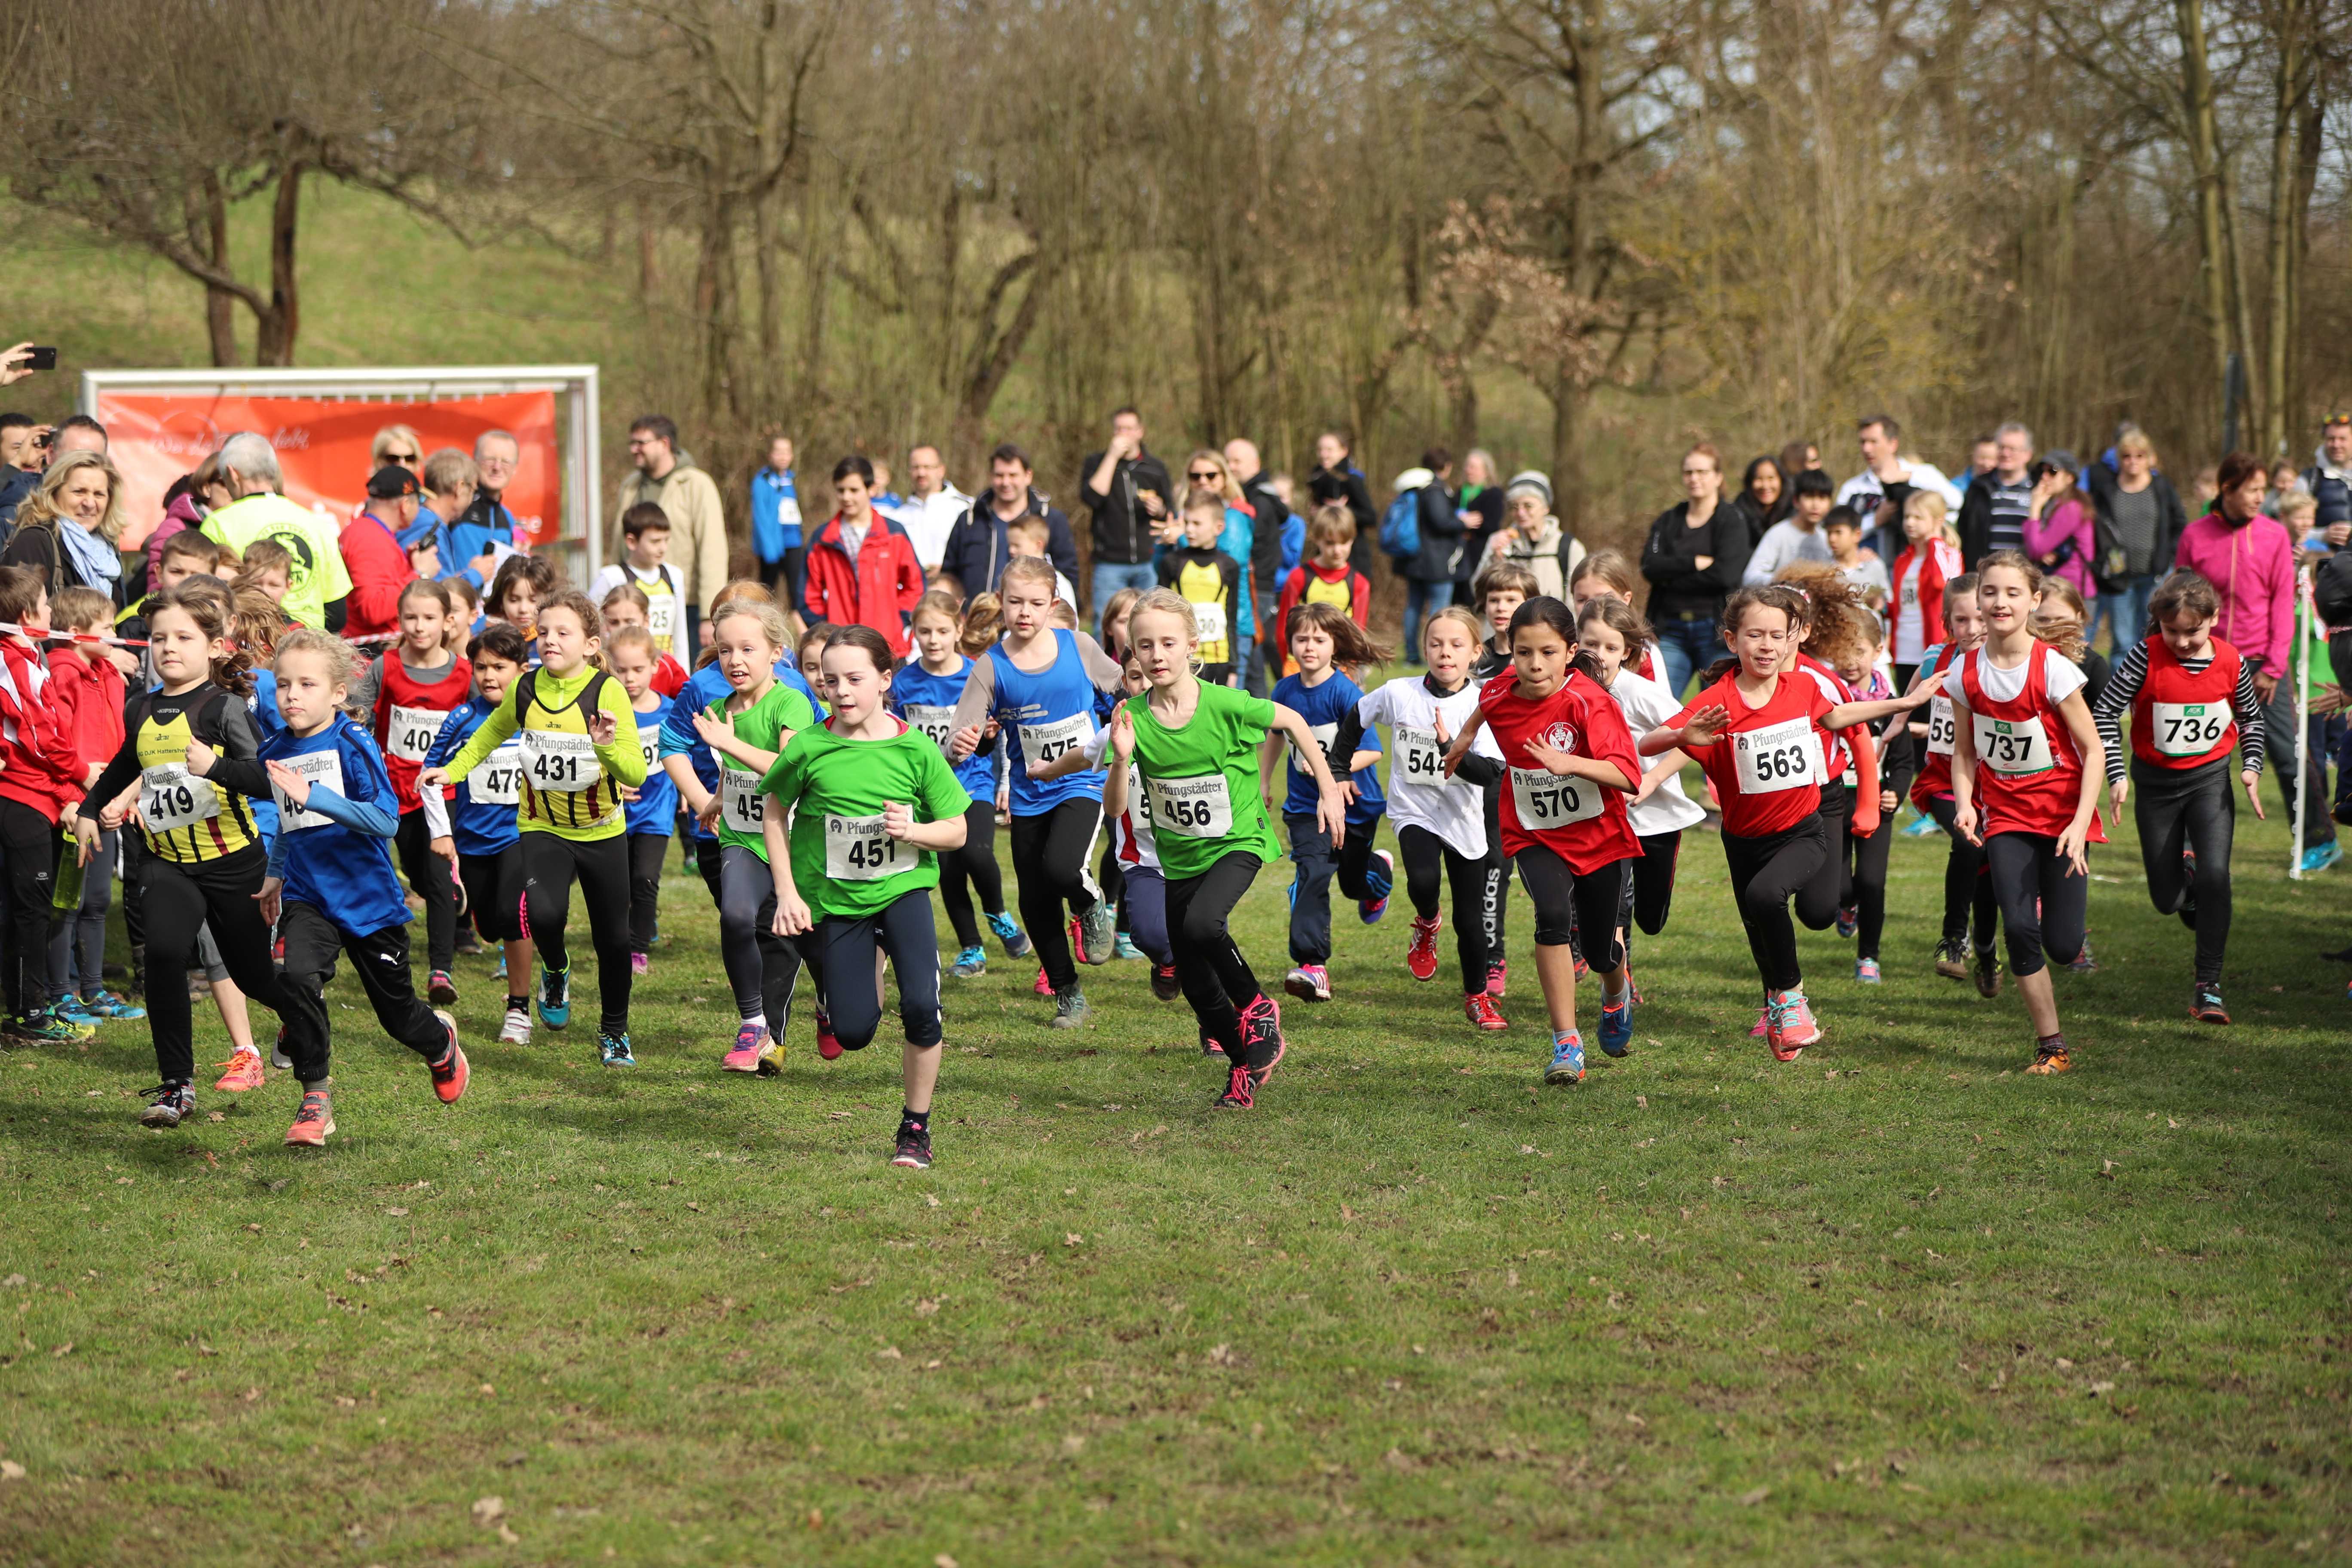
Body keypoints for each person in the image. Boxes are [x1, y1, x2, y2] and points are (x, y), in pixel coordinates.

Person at [1638, 585, 1938, 1058]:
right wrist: (1684, 735)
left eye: (1777, 636)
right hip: (1743, 840)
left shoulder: (1802, 687)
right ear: (1732, 639)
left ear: (1791, 639)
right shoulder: (1717, 700)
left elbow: (1840, 717)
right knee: (1758, 925)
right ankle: (1779, 1011)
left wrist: (1902, 703)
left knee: (1773, 899)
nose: (1767, 646)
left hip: (1803, 829)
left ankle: (1793, 1001)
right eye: (1755, 635)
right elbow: (1648, 743)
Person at [74, 583, 330, 1128]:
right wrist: (90, 809)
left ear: (214, 647)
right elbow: (125, 765)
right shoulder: (140, 707)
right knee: (165, 952)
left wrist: (214, 767)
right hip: (166, 860)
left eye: (183, 638)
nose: (168, 647)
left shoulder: (225, 709)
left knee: (255, 977)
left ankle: (302, 1018)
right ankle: (176, 1086)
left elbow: (265, 779)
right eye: (159, 638)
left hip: (234, 862)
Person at [1105, 589, 1345, 1109]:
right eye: (1145, 646)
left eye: (1169, 643)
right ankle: (1244, 1067)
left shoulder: (1224, 703)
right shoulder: (1133, 718)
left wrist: (1328, 788)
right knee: (1195, 984)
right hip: (1180, 859)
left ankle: (1258, 1006)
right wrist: (1122, 759)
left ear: (1193, 645)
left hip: (1238, 841)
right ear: (1134, 652)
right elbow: (1115, 806)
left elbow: (1293, 722)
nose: (1157, 655)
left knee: (1202, 924)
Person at [236, 629, 467, 1145]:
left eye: (308, 685)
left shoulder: (352, 742)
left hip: (367, 900)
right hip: (307, 895)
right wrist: (275, 872)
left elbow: (385, 820)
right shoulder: (275, 747)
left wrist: (315, 795)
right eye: (284, 685)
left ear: (338, 692)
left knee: (398, 1018)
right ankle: (315, 1098)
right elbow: (292, 820)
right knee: (296, 975)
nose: (292, 695)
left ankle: (440, 1043)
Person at [760, 625, 971, 1169]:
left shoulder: (914, 749)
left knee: (922, 1008)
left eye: (855, 679)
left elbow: (957, 830)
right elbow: (774, 811)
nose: (842, 691)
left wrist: (914, 831)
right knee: (853, 1033)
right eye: (830, 681)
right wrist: (787, 891)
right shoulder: (810, 746)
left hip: (903, 891)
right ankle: (861, 967)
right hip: (836, 902)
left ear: (885, 679)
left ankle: (915, 1128)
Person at [419, 589, 648, 1066]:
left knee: (613, 940)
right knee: (543, 916)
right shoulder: (525, 688)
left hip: (602, 830)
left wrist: (605, 746)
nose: (550, 640)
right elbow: (490, 733)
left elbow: (636, 773)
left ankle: (614, 1032)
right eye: (543, 633)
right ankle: (557, 969)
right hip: (542, 826)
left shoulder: (606, 691)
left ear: (590, 644)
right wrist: (454, 772)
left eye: (563, 633)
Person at [1440, 596, 1644, 1083]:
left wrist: (1568, 763)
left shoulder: (1590, 702)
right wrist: (1464, 739)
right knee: (1551, 916)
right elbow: (1486, 704)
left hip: (1599, 838)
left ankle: (1615, 992)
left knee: (1599, 952)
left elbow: (1628, 776)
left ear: (1571, 652)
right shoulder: (1500, 690)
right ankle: (1566, 1042)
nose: (1535, 665)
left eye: (1548, 653)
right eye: (1524, 652)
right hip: (1534, 833)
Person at [945, 557, 1125, 1026]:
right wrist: (963, 742)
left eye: (1035, 603)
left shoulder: (1078, 646)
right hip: (1029, 794)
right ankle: (1068, 993)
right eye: (1015, 602)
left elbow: (1124, 689)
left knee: (1062, 867)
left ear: (1053, 604)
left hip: (1081, 781)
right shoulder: (991, 666)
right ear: (1001, 603)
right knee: (1034, 900)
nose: (1024, 612)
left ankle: (1089, 902)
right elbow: (960, 734)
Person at [1947, 552, 2107, 1074]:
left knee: (2063, 945)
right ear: (1978, 599)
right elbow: (1964, 752)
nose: (2000, 602)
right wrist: (1966, 803)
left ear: (2034, 601)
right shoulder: (1965, 671)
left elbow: (2094, 751)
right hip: (2007, 816)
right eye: (1990, 592)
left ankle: (2053, 945)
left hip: (2062, 819)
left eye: (2013, 593)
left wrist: (2080, 824)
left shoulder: (2054, 669)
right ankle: (2052, 1046)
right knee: (2019, 927)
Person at [2090, 570, 2265, 1023]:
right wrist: (2117, 775)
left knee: (2217, 876)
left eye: (2193, 631)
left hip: (2210, 781)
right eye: (2173, 632)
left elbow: (2251, 719)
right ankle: (2187, 879)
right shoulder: (2144, 656)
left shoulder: (2232, 661)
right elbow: (2105, 711)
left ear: (2214, 618)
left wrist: (2251, 767)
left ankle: (2209, 986)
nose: (2183, 642)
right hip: (2155, 786)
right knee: (2167, 900)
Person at [1334, 606, 1504, 1023]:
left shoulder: (1484, 702)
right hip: (1415, 811)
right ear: (1424, 648)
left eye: (1457, 645)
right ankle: (1427, 922)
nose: (1445, 652)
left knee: (1470, 921)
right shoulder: (1399, 693)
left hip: (1464, 818)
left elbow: (1490, 774)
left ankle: (1477, 996)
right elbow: (1357, 716)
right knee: (1424, 881)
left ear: (1475, 652)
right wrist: (1338, 770)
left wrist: (1451, 750)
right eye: (1436, 644)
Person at [670, 599, 814, 1072]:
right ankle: (753, 1024)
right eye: (725, 649)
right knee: (736, 917)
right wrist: (716, 798)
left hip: (796, 841)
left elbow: (788, 768)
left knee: (812, 938)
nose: (735, 660)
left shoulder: (791, 702)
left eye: (748, 649)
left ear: (776, 652)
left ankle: (831, 1001)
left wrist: (729, 743)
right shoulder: (717, 709)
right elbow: (735, 770)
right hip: (743, 836)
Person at [2174, 453, 2327, 869]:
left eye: (2264, 489)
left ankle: (2318, 839)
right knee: (2195, 755)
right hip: (2205, 663)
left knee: (2286, 754)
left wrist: (2274, 667)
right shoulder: (2194, 536)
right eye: (2253, 490)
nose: (2262, 497)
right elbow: (2179, 600)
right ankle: (2187, 845)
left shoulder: (2275, 535)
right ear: (2228, 490)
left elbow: (2282, 604)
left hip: (2262, 666)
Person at [344, 578, 472, 1005]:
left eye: (429, 618)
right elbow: (357, 715)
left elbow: (486, 724)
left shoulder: (464, 674)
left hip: (440, 795)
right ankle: (448, 892)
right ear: (399, 620)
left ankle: (441, 971)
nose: (419, 626)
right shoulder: (386, 666)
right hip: (394, 791)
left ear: (448, 621)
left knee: (435, 878)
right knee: (414, 873)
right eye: (411, 618)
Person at [894, 591, 1029, 977]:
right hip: (927, 794)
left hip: (973, 784)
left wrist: (996, 760)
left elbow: (996, 737)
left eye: (941, 631)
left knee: (977, 853)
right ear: (914, 633)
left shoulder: (977, 674)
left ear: (958, 630)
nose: (933, 640)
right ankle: (971, 949)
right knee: (949, 871)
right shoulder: (904, 683)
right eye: (924, 632)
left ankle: (998, 913)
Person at [1574, 595, 1703, 995]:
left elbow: (1692, 739)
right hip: (1607, 819)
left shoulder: (1641, 692)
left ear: (1627, 652)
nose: (1599, 654)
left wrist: (1652, 780)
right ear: (1576, 643)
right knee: (1616, 905)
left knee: (1650, 918)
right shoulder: (1568, 689)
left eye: (1611, 647)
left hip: (1657, 819)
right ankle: (1619, 982)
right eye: (1591, 644)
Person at [1265, 602, 1394, 1004]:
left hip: (1355, 804)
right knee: (1314, 871)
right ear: (1290, 644)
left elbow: (1372, 751)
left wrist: (1332, 771)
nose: (1309, 647)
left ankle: (1378, 874)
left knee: (1353, 884)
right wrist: (1264, 780)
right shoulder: (1284, 691)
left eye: (1319, 640)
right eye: (1301, 639)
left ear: (1334, 645)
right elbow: (1274, 735)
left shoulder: (1345, 692)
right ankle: (1312, 964)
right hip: (1306, 807)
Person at [422, 623, 536, 1044]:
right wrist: (442, 832)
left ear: (522, 669)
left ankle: (519, 1009)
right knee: (488, 924)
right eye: (481, 667)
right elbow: (429, 776)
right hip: (473, 839)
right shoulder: (463, 719)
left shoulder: (538, 717)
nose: (489, 676)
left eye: (499, 668)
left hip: (523, 833)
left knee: (512, 912)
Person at [45, 585, 140, 1024]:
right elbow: (55, 744)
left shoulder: (110, 676)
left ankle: (93, 989)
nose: (115, 636)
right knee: (67, 901)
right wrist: (70, 797)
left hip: (105, 806)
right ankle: (59, 992)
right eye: (106, 628)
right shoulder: (62, 674)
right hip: (71, 807)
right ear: (75, 631)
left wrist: (124, 797)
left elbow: (122, 743)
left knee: (99, 900)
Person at [0, 568, 82, 1044]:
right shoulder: (12, 662)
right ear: (26, 616)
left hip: (42, 796)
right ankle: (28, 1013)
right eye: (47, 604)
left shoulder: (31, 657)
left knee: (33, 908)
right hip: (19, 799)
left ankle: (31, 1004)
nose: (52, 611)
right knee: (29, 910)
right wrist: (81, 776)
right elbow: (39, 739)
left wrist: (67, 793)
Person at [198, 432, 352, 632]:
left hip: (247, 641)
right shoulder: (318, 525)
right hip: (310, 643)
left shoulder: (218, 523)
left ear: (233, 474)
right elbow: (337, 615)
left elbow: (204, 599)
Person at [1641, 443, 1751, 697]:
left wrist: (1670, 577)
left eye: (1702, 472)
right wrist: (1693, 563)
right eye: (1689, 472)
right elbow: (1650, 567)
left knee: (1718, 707)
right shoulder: (1668, 520)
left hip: (1715, 631)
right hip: (1669, 630)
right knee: (1658, 702)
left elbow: (1726, 575)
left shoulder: (1732, 520)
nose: (1694, 478)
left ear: (1718, 477)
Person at [602, 625, 679, 982]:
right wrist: (612, 779)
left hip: (656, 812)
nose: (630, 678)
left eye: (638, 669)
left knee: (645, 878)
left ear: (655, 666)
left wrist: (686, 791)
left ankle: (638, 950)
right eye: (621, 670)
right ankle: (616, 941)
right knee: (617, 885)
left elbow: (684, 754)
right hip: (613, 813)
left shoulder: (671, 711)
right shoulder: (606, 712)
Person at [615, 415, 729, 647]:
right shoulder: (630, 486)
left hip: (685, 605)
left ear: (664, 444)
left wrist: (709, 615)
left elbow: (713, 550)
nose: (634, 449)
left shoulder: (697, 484)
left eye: (641, 443)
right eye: (632, 443)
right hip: (633, 603)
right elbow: (619, 544)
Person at [799, 455, 925, 659]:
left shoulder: (894, 534)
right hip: (840, 648)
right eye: (841, 490)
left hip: (888, 647)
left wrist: (900, 620)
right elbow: (808, 595)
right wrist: (826, 630)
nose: (846, 497)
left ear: (871, 489)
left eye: (854, 490)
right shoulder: (822, 539)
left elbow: (916, 585)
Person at [938, 444, 1080, 604]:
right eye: (999, 475)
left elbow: (1068, 577)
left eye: (1013, 475)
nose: (1006, 482)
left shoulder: (1050, 520)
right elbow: (949, 575)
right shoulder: (970, 520)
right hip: (976, 616)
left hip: (1030, 617)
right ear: (991, 476)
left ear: (1028, 476)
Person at [2088, 433, 2187, 649]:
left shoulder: (2161, 487)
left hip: (2156, 576)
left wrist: (2169, 556)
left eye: (2140, 456)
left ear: (2150, 458)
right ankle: (2123, 673)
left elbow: (2180, 523)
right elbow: (2097, 530)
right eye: (2127, 456)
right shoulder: (2107, 490)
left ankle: (2152, 673)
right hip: (2119, 577)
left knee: (2154, 638)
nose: (2133, 461)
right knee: (2122, 641)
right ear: (2119, 459)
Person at [1080, 409, 1175, 627]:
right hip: (1109, 562)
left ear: (1140, 432)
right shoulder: (1096, 463)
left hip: (1149, 560)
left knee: (1151, 624)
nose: (1124, 434)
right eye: (1119, 429)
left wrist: (1160, 509)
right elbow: (1092, 498)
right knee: (1106, 623)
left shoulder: (1155, 468)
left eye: (1129, 429)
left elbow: (1170, 510)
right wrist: (1112, 457)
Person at [2, 450, 129, 609]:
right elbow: (19, 616)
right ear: (54, 493)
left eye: (99, 494)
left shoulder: (107, 550)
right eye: (79, 492)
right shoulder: (34, 542)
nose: (90, 503)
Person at [1837, 413, 1962, 566]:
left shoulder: (1922, 474)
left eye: (1873, 442)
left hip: (1918, 570)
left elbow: (1956, 501)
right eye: (1863, 442)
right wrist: (1875, 520)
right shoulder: (1852, 488)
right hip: (1869, 572)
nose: (1866, 449)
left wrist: (1909, 478)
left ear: (1893, 444)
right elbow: (1836, 533)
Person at [1157, 489, 1246, 685]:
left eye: (1197, 524)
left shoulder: (1229, 566)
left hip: (1219, 658)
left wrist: (1233, 667)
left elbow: (1231, 617)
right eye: (1187, 522)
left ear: (1219, 527)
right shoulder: (1171, 563)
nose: (1189, 529)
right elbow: (1161, 614)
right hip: (1183, 658)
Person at [1272, 505, 1373, 676]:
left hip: (1341, 668)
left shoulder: (1359, 584)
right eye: (1330, 543)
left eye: (1343, 543)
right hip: (1299, 667)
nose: (1337, 550)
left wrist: (1351, 670)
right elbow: (1284, 629)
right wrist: (1290, 663)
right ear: (1317, 539)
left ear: (1352, 540)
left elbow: (1358, 633)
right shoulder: (1298, 577)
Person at [589, 503, 689, 658]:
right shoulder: (612, 577)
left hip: (663, 666)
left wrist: (683, 671)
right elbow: (589, 623)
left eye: (666, 540)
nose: (663, 548)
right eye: (655, 542)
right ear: (632, 542)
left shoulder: (674, 575)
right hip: (622, 665)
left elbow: (680, 633)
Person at [1886, 491, 1964, 689]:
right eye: (1907, 517)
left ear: (1938, 520)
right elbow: (1904, 603)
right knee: (1907, 703)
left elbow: (1941, 584)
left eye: (1918, 517)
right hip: (1904, 648)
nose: (1910, 523)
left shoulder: (1949, 554)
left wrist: (1935, 541)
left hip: (1935, 646)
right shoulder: (1903, 559)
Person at [339, 465, 425, 643]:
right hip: (370, 653)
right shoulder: (369, 538)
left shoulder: (369, 532)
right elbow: (374, 609)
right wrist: (420, 574)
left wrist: (409, 566)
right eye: (420, 502)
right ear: (405, 505)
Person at [1396, 449, 1465, 659]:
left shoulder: (1414, 489)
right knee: (1439, 609)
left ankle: (1412, 654)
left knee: (1414, 607)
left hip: (1414, 559)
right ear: (1447, 466)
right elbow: (1441, 522)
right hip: (1436, 562)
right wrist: (1462, 523)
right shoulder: (1435, 490)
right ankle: (1433, 653)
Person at [1475, 472, 1585, 601]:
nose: (1521, 513)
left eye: (1528, 506)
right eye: (1515, 507)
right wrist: (1492, 559)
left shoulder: (1569, 547)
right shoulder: (1500, 542)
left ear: (1546, 508)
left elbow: (1576, 600)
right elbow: (1477, 592)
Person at [446, 431, 525, 596]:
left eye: (506, 462)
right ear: (474, 461)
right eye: (490, 459)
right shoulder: (455, 506)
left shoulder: (507, 518)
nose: (497, 467)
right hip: (454, 603)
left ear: (515, 469)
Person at [2023, 451, 2099, 605]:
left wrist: (2035, 508)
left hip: (2071, 592)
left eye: (2053, 471)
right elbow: (2035, 545)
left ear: (2070, 478)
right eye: (2042, 471)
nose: (2044, 477)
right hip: (2059, 587)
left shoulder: (2071, 508)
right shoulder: (2055, 504)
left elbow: (2036, 549)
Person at [1957, 423, 2037, 564]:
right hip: (1984, 571)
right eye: (2001, 447)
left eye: (2012, 449)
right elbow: (1964, 531)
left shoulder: (2039, 489)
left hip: (2025, 571)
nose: (2005, 453)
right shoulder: (1979, 487)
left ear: (2028, 454)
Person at [1306, 430, 1379, 579]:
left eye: (1329, 450)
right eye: (1320, 450)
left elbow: (1371, 517)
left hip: (1353, 558)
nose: (1323, 455)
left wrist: (1342, 512)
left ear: (1344, 451)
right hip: (1324, 557)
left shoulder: (1352, 480)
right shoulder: (1316, 479)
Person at [1744, 469, 1836, 584]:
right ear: (1796, 501)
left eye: (1822, 498)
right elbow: (1750, 578)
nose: (1816, 505)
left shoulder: (1827, 538)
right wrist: (1783, 580)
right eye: (1809, 497)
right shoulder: (1779, 534)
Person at [1451, 449, 1508, 626]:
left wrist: (1466, 525)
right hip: (1457, 556)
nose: (1469, 471)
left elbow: (1491, 524)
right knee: (1457, 602)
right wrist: (1464, 522)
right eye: (1467, 466)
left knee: (1476, 598)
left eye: (1474, 467)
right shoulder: (1459, 493)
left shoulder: (1493, 494)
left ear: (1486, 471)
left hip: (1480, 554)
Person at [898, 444, 971, 576]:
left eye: (927, 467)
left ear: (941, 470)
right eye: (916, 468)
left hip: (952, 585)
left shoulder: (966, 509)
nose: (921, 473)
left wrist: (947, 569)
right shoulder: (898, 516)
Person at [749, 433, 804, 606]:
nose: (783, 456)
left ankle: (799, 620)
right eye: (778, 452)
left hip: (793, 542)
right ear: (770, 455)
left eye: (786, 452)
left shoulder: (792, 479)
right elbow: (761, 517)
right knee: (767, 591)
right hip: (773, 545)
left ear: (792, 455)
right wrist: (768, 547)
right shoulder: (762, 480)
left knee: (797, 590)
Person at [408, 448, 475, 563]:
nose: (472, 500)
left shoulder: (415, 518)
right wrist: (476, 572)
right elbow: (434, 574)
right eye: (473, 490)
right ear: (460, 488)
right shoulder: (432, 531)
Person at [2299, 413, 2352, 545]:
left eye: (2343, 439)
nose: (2336, 445)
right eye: (2331, 439)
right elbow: (2287, 526)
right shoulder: (2308, 480)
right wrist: (2321, 536)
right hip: (2323, 556)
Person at [1825, 507, 1889, 605]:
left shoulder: (1874, 566)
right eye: (1829, 533)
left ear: (1857, 535)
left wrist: (1880, 605)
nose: (1832, 539)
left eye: (1838, 532)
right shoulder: (1823, 571)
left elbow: (1889, 602)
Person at [1732, 456, 1790, 545]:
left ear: (1782, 480)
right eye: (1759, 479)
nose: (1765, 486)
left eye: (1771, 478)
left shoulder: (1794, 510)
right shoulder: (1739, 512)